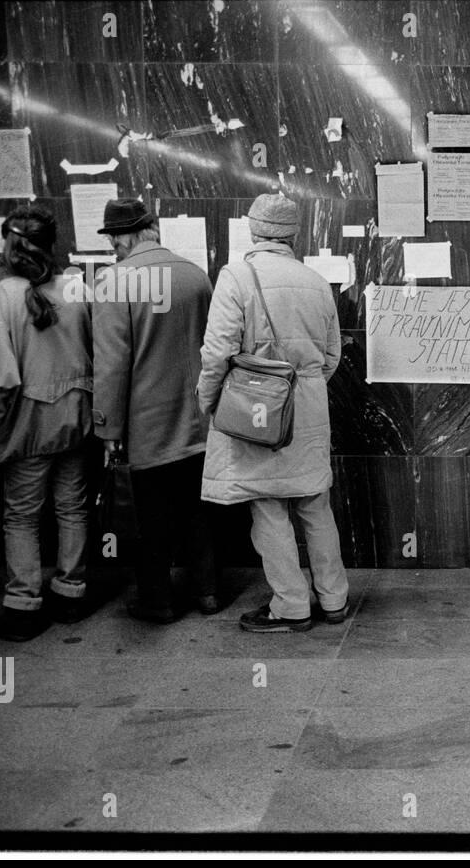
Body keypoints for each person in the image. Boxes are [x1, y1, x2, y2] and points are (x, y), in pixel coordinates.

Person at [195, 193, 349, 633]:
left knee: (268, 508)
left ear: (253, 229)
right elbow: (332, 354)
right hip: (309, 406)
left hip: (257, 411)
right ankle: (334, 599)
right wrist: (302, 385)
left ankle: (291, 605)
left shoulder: (236, 276)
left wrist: (211, 402)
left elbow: (217, 353)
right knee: (316, 505)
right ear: (292, 234)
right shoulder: (315, 281)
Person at [92, 198, 221, 623]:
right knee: (199, 510)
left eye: (113, 237)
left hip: (149, 422)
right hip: (200, 418)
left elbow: (112, 366)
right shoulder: (195, 275)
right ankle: (208, 593)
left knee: (151, 518)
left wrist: (107, 429)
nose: (112, 245)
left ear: (126, 236)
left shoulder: (115, 282)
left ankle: (159, 602)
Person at [0, 205, 93, 641]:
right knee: (72, 507)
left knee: (21, 516)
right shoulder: (76, 286)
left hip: (28, 425)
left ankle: (24, 605)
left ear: (10, 244)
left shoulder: (5, 295)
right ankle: (71, 592)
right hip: (76, 420)